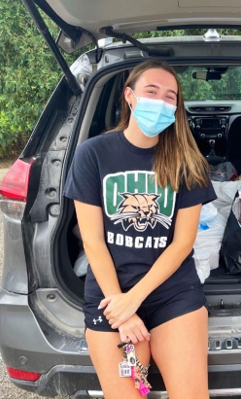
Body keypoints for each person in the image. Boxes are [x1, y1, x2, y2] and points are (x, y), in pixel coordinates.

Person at [63, 60, 217, 399]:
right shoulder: (92, 154)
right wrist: (121, 307)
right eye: (152, 91)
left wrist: (133, 301)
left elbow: (182, 243)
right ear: (129, 96)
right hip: (110, 293)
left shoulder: (188, 161)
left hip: (171, 293)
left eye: (170, 97)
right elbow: (93, 241)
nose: (161, 102)